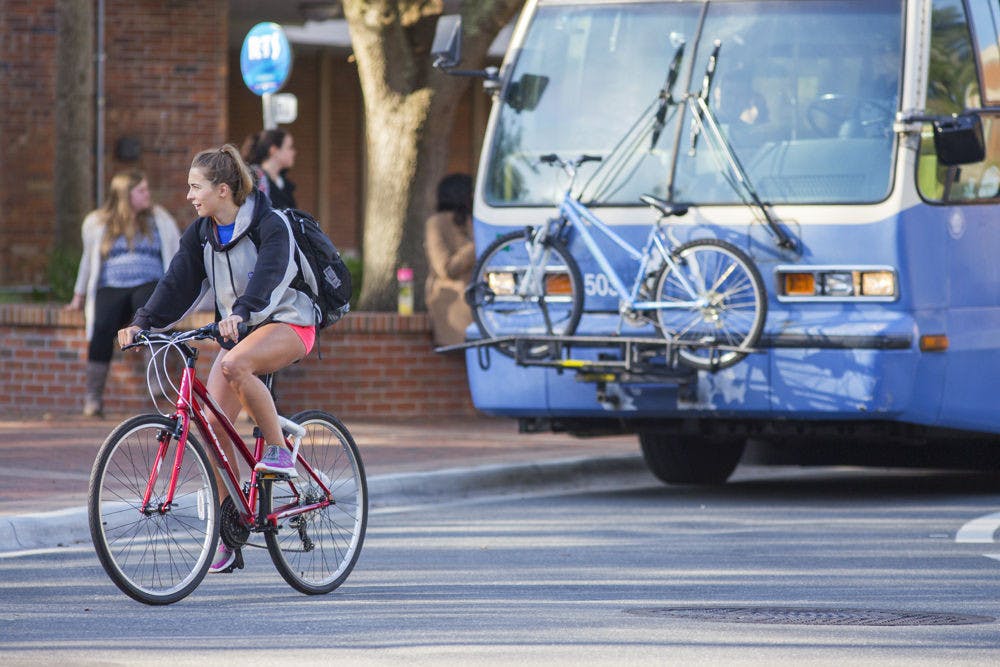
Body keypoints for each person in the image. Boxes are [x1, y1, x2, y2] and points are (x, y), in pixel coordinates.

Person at [117, 144, 318, 573]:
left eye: (196, 187)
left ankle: (280, 454)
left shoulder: (270, 223)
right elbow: (177, 281)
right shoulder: (202, 232)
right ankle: (231, 529)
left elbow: (271, 272)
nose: (189, 195)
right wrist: (143, 321)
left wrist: (243, 311)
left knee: (234, 364)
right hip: (240, 331)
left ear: (223, 190)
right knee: (209, 425)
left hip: (289, 322)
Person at [66, 170, 180, 417]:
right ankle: (93, 398)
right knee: (103, 325)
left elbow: (177, 252)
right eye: (141, 191)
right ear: (125, 195)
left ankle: (158, 383)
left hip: (148, 282)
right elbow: (88, 261)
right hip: (112, 285)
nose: (147, 195)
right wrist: (78, 296)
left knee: (151, 315)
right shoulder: (99, 223)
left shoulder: (159, 219)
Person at [424, 173, 476, 347]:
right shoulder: (436, 223)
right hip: (452, 297)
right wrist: (474, 248)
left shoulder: (472, 220)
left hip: (478, 292)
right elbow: (445, 268)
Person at [242, 128, 297, 209]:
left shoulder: (284, 184)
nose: (294, 152)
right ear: (273, 150)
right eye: (289, 147)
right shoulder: (254, 179)